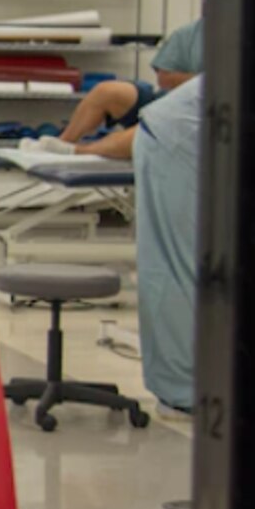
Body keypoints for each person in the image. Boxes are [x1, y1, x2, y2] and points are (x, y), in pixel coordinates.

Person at [65, 77, 201, 414]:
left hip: (193, 131)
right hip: (178, 139)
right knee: (178, 263)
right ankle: (182, 394)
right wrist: (75, 150)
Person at [40, 17, 204, 148]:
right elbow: (165, 78)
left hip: (194, 116)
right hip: (168, 102)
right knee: (106, 91)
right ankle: (60, 145)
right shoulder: (189, 34)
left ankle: (77, 152)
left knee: (148, 131)